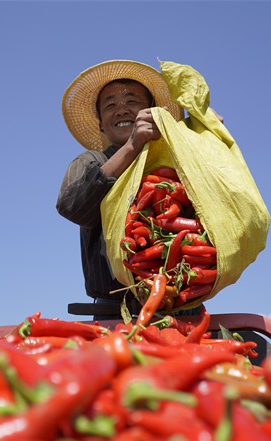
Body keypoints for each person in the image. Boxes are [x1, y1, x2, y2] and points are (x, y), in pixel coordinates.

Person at [56, 60, 204, 321]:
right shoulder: (91, 162)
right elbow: (73, 207)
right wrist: (133, 146)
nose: (121, 110)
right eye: (110, 106)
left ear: (152, 112)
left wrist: (206, 138)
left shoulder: (178, 162)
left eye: (132, 102)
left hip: (183, 306)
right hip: (113, 310)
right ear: (101, 123)